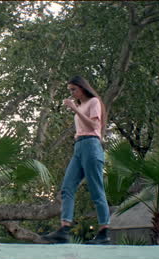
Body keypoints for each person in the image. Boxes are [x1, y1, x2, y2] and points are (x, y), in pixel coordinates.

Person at [42, 76, 111, 244]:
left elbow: (94, 126)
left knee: (96, 189)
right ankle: (64, 229)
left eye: (74, 89)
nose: (72, 93)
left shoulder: (94, 102)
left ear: (82, 88)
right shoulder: (81, 105)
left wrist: (75, 109)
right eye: (70, 91)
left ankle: (104, 232)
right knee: (67, 188)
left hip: (91, 145)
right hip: (79, 146)